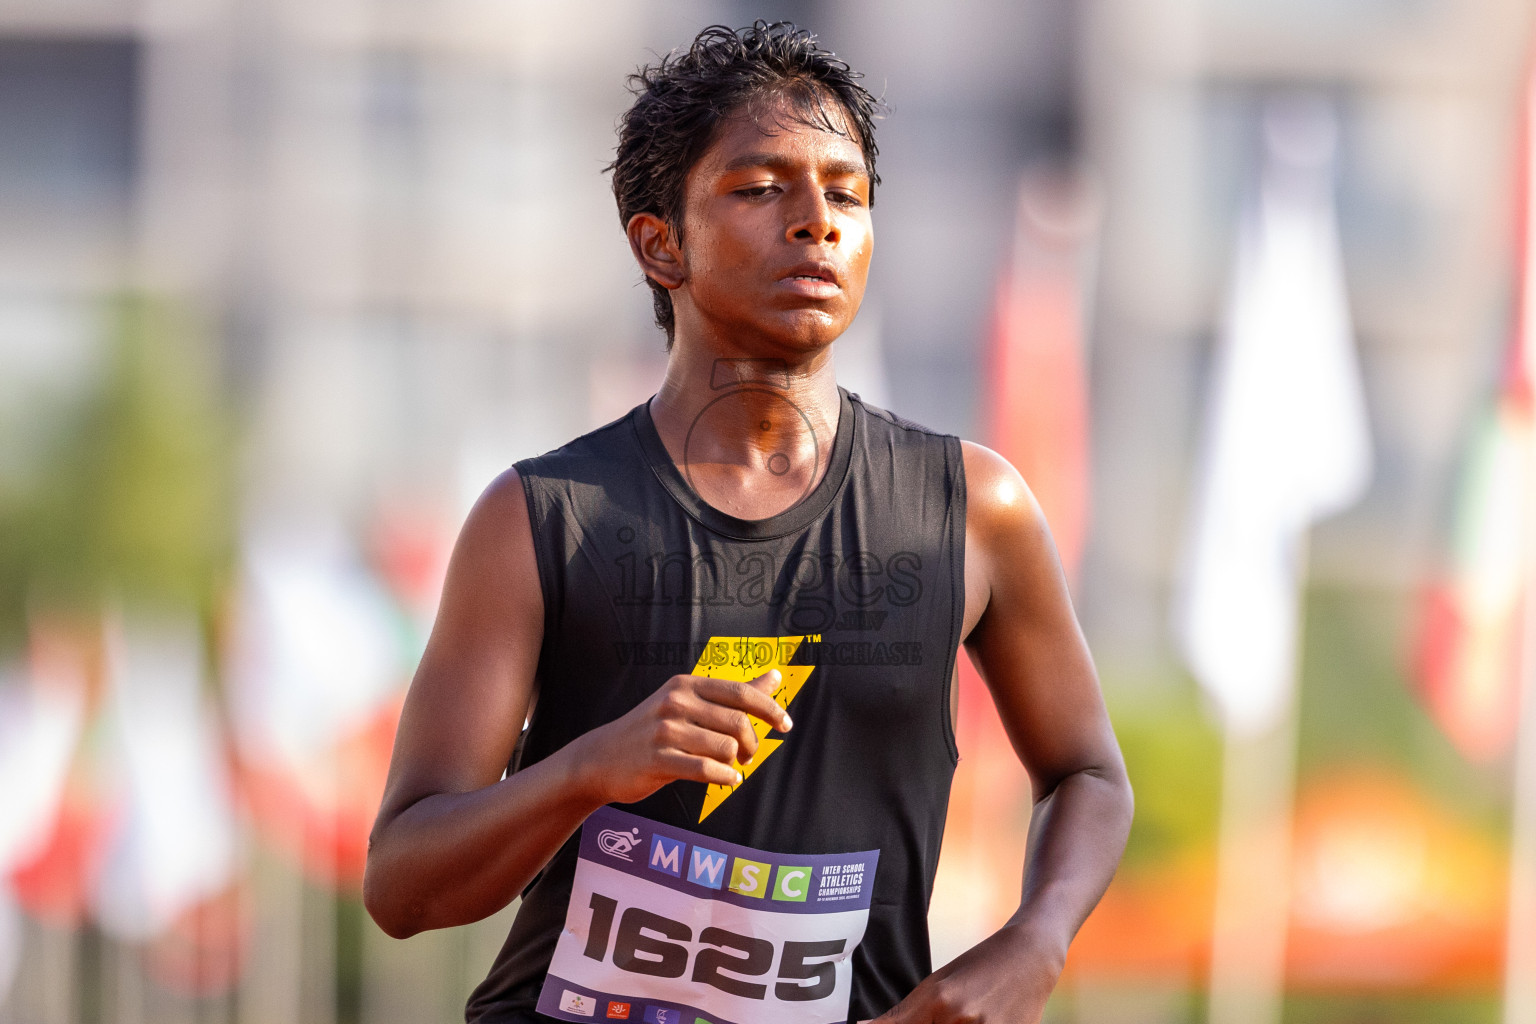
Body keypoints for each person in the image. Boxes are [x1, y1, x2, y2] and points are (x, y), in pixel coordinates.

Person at [364, 21, 1132, 1024]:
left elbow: (1087, 771)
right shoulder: (542, 519)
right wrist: (591, 767)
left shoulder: (973, 509)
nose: (816, 220)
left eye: (846, 191)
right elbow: (403, 885)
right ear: (660, 244)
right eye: (762, 187)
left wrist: (1037, 939)